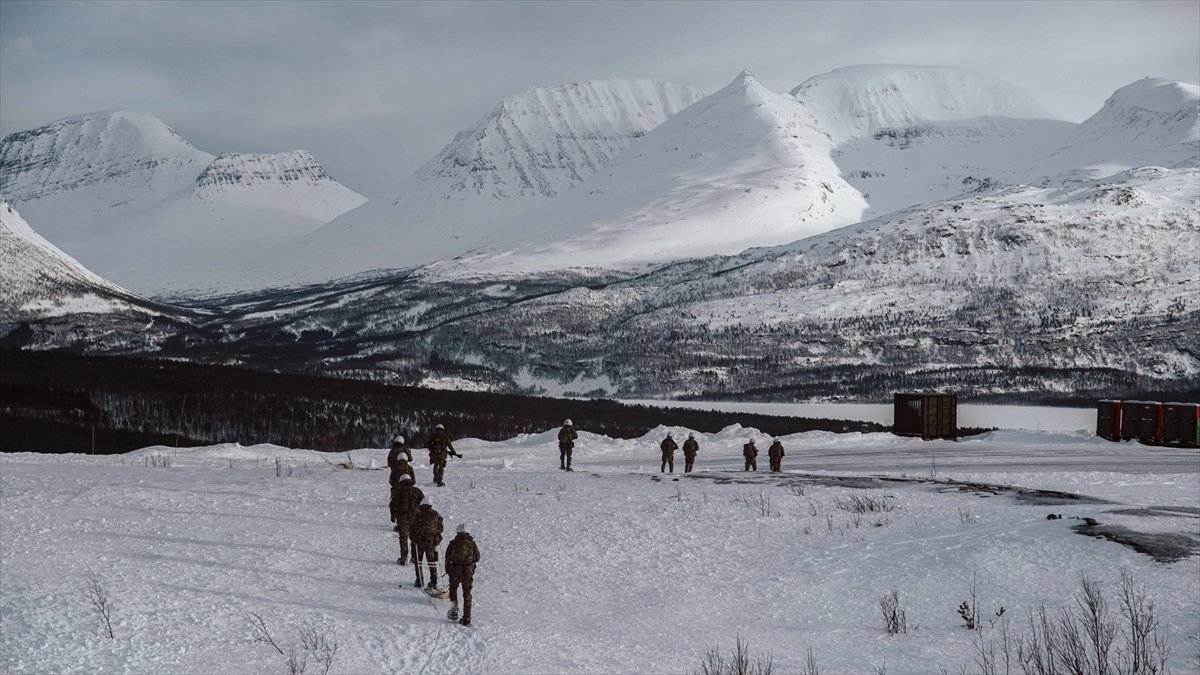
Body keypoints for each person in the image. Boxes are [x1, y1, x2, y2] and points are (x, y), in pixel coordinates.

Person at [445, 523, 481, 627]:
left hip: (455, 570)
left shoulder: (453, 543)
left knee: (453, 589)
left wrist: (448, 570)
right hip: (468, 572)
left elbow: (447, 557)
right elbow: (477, 557)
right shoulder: (472, 544)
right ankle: (467, 618)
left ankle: (454, 611)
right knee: (467, 594)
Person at [390, 475, 424, 564]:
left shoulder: (398, 491)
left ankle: (404, 558)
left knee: (403, 538)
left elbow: (392, 504)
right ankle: (414, 556)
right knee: (414, 537)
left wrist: (393, 516)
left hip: (402, 519)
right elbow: (423, 503)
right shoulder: (416, 491)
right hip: (415, 517)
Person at [411, 496, 443, 589]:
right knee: (432, 562)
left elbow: (413, 527)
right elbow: (440, 529)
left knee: (418, 561)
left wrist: (412, 537)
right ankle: (434, 581)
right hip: (431, 543)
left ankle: (419, 580)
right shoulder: (436, 515)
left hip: (419, 542)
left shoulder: (418, 514)